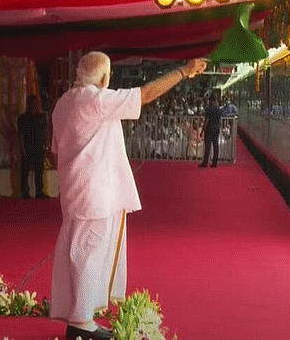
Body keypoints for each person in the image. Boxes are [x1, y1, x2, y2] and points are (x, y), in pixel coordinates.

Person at [50, 51, 206, 340]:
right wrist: (185, 70)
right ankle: (81, 325)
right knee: (88, 255)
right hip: (94, 192)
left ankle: (82, 319)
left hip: (75, 189)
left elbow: (58, 150)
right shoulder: (95, 101)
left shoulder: (63, 104)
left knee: (81, 253)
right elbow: (146, 94)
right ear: (106, 77)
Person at [17, 95, 47, 199]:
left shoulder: (42, 117)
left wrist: (46, 147)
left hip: (39, 147)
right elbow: (20, 135)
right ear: (29, 104)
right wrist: (22, 150)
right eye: (33, 103)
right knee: (25, 171)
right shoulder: (22, 118)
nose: (35, 105)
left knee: (39, 171)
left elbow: (45, 133)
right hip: (28, 147)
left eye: (37, 103)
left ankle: (39, 192)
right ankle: (24, 192)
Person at [199, 95, 222, 168]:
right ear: (215, 101)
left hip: (209, 129)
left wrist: (202, 131)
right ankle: (214, 163)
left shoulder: (208, 109)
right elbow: (220, 120)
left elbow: (206, 121)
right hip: (216, 128)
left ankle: (205, 162)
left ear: (210, 101)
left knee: (208, 146)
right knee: (216, 146)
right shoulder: (219, 109)